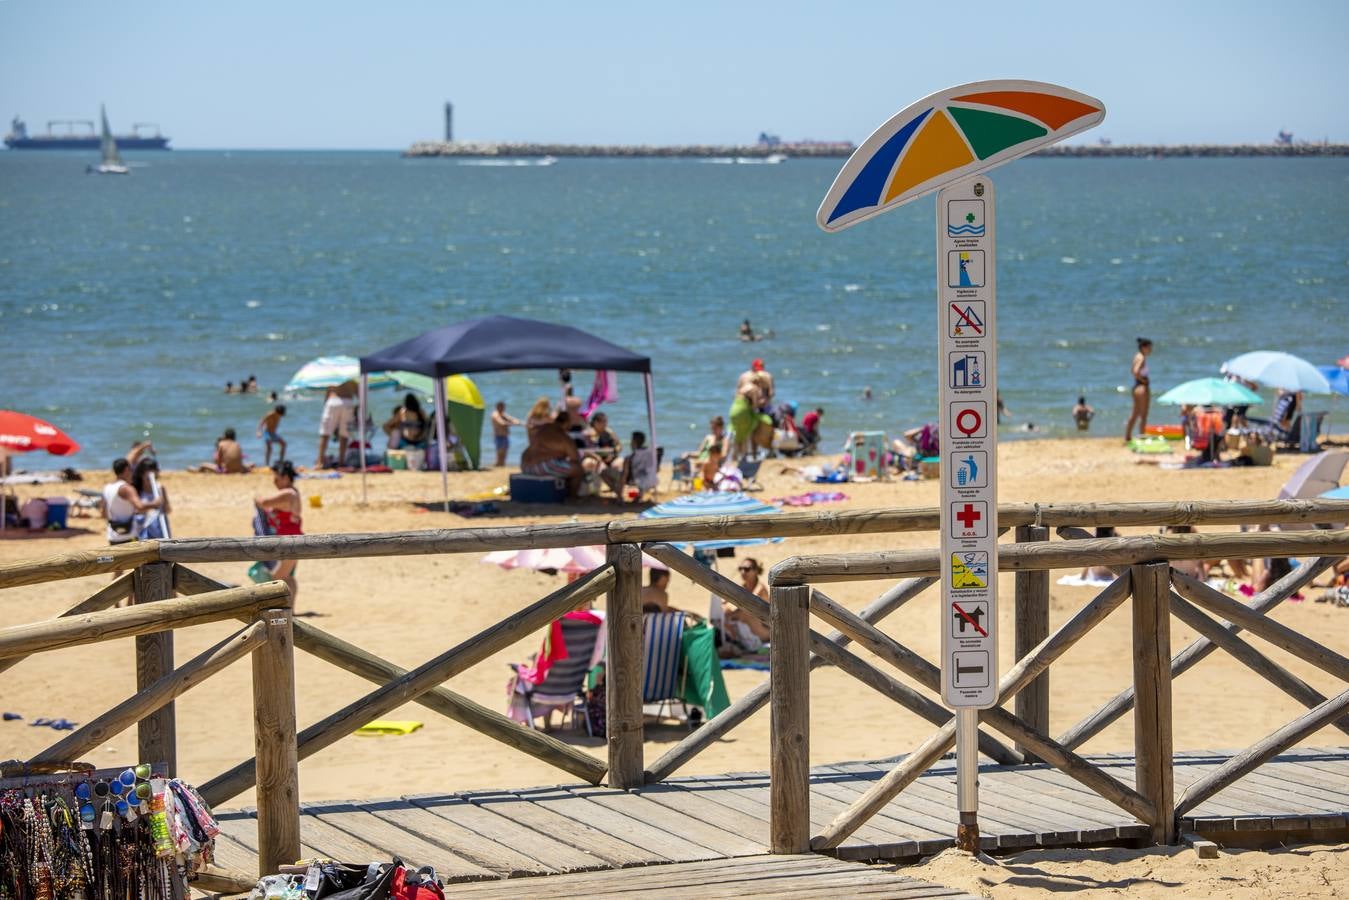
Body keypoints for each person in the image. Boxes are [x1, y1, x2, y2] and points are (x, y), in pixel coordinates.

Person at [255, 460, 302, 601]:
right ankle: (292, 609)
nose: (274, 482)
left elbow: (263, 502)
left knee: (277, 577)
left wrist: (256, 497)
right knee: (287, 576)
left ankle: (289, 609)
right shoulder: (293, 492)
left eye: (277, 478)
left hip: (291, 542)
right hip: (293, 540)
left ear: (286, 478)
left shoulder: (288, 493)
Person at [520, 409, 584, 497]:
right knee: (578, 469)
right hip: (541, 467)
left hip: (525, 465)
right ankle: (572, 497)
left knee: (562, 465)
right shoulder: (563, 436)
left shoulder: (542, 428)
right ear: (566, 423)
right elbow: (575, 458)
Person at [102, 458, 163, 543]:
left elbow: (103, 513)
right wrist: (155, 503)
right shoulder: (127, 488)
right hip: (129, 535)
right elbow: (140, 507)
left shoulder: (107, 487)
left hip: (113, 535)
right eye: (131, 469)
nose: (132, 473)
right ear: (126, 470)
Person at [723, 558, 771, 650]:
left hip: (765, 630)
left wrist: (731, 615)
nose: (743, 572)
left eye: (747, 569)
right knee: (725, 610)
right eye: (740, 569)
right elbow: (729, 605)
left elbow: (747, 608)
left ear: (756, 571)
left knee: (744, 615)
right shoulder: (743, 587)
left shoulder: (760, 588)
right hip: (754, 628)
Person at [130, 457, 171, 540]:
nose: (151, 474)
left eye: (153, 470)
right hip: (143, 530)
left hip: (159, 528)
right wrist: (153, 504)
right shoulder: (136, 490)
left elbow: (168, 510)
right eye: (148, 470)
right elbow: (136, 510)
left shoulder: (160, 488)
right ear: (142, 473)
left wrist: (163, 504)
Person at [682, 416, 727, 485]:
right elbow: (700, 452)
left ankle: (695, 482)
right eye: (712, 428)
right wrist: (689, 454)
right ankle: (693, 481)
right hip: (702, 460)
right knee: (683, 459)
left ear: (721, 428)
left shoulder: (724, 440)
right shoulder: (708, 437)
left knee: (701, 464)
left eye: (715, 428)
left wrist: (712, 452)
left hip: (713, 463)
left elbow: (723, 455)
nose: (713, 430)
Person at [1125, 337, 1153, 442]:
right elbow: (1136, 371)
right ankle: (1142, 436)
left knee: (1135, 413)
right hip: (1142, 387)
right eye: (1149, 348)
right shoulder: (1141, 357)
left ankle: (1128, 436)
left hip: (1136, 387)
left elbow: (1133, 370)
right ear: (1144, 347)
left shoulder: (1136, 356)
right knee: (1144, 414)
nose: (1151, 350)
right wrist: (1144, 380)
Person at [317, 385, 353, 467]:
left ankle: (320, 461)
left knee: (325, 433)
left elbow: (328, 391)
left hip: (333, 400)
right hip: (348, 400)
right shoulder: (352, 373)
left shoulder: (333, 373)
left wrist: (325, 403)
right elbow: (358, 392)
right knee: (344, 435)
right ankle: (341, 462)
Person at [620, 431, 658, 500]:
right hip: (653, 480)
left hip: (636, 481)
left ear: (634, 442)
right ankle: (640, 495)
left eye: (631, 440)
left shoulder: (630, 457)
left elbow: (625, 475)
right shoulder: (651, 453)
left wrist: (620, 493)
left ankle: (619, 496)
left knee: (606, 472)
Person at [490, 401, 522, 467]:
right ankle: (497, 466)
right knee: (500, 454)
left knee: (504, 455)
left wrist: (519, 422)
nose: (503, 409)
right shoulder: (495, 414)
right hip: (498, 436)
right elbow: (501, 423)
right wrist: (513, 424)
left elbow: (511, 419)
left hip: (505, 436)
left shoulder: (503, 414)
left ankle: (501, 466)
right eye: (501, 407)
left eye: (503, 407)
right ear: (497, 407)